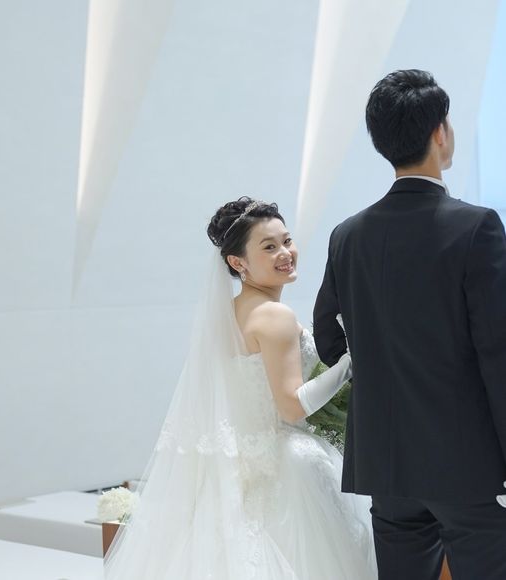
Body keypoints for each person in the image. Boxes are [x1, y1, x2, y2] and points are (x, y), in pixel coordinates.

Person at [104, 197, 377, 579]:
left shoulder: (228, 314)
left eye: (287, 240)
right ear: (238, 262)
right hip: (288, 467)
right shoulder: (274, 315)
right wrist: (351, 361)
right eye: (269, 247)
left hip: (238, 469)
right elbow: (291, 407)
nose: (285, 253)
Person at [313, 69, 506, 580]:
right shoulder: (477, 227)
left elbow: (328, 337)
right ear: (440, 132)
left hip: (387, 464)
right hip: (468, 466)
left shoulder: (347, 235)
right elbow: (498, 353)